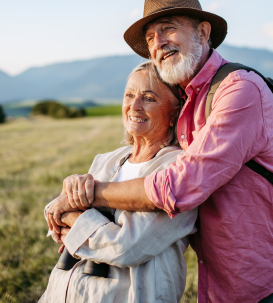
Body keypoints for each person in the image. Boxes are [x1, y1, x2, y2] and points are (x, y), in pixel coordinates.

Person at [46, 0, 273, 302]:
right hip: (219, 275)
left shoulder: (239, 90)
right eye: (151, 37)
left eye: (169, 28)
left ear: (203, 32)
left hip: (265, 273)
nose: (158, 43)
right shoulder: (186, 103)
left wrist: (89, 193)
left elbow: (182, 185)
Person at [41, 61, 197, 303]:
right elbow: (54, 218)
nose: (134, 106)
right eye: (129, 95)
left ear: (174, 114)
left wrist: (71, 216)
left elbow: (125, 247)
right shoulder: (107, 160)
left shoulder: (177, 170)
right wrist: (66, 198)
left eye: (148, 98)